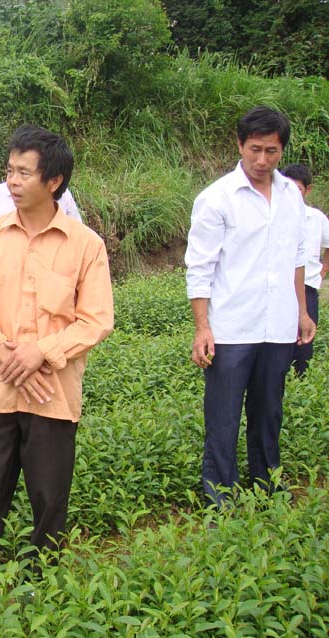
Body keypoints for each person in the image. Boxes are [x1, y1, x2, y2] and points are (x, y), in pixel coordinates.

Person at [0, 125, 114, 574]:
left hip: (51, 393)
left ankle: (44, 588)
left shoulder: (86, 246)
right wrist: (7, 353)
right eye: (9, 171)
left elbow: (96, 320)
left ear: (53, 181)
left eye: (23, 173)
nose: (12, 182)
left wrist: (41, 352)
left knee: (48, 498)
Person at [185, 106, 315, 508]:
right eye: (255, 149)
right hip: (231, 328)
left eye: (272, 151)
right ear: (239, 145)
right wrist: (202, 327)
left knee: (268, 415)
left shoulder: (292, 195)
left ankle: (267, 487)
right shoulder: (217, 198)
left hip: (276, 326)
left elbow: (296, 257)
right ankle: (220, 497)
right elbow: (199, 267)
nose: (262, 160)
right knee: (223, 420)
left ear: (281, 151)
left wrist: (302, 311)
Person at [280, 163, 329, 376]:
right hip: (281, 286)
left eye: (297, 189)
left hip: (307, 285)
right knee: (281, 337)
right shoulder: (276, 215)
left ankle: (301, 379)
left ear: (307, 190)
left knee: (305, 336)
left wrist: (323, 269)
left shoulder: (316, 218)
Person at [0, 181, 82, 259]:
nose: (14, 180)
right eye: (11, 170)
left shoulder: (63, 196)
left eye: (25, 173)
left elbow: (78, 239)